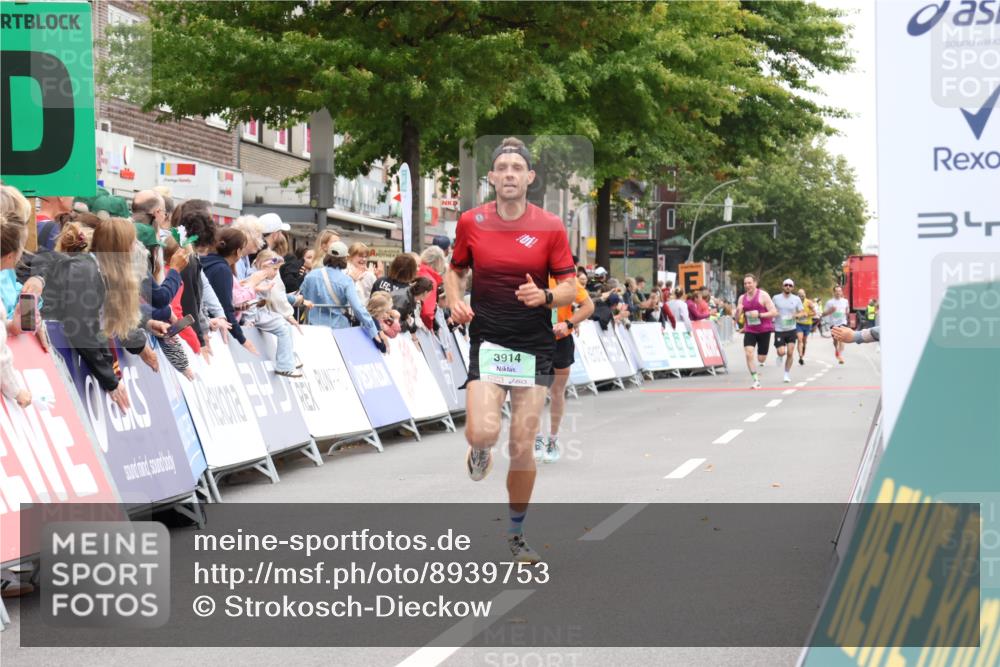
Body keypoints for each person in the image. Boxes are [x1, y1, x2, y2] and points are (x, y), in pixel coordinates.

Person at [444, 137, 577, 564]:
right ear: (491, 177)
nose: (509, 174)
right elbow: (455, 270)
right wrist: (455, 300)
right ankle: (480, 448)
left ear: (529, 177)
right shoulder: (471, 221)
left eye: (517, 168)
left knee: (522, 445)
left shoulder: (551, 226)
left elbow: (571, 286)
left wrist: (548, 298)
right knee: (483, 431)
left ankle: (517, 536)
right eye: (501, 167)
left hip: (533, 345)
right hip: (488, 339)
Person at [535, 269, 594, 463]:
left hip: (561, 340)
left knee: (557, 391)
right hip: (535, 339)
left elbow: (588, 306)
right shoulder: (532, 274)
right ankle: (537, 438)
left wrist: (569, 322)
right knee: (535, 390)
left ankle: (553, 440)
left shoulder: (567, 280)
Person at [299, 241, 387, 351]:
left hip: (312, 327)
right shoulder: (346, 281)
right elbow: (358, 308)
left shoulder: (311, 275)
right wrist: (373, 330)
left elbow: (302, 296)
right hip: (337, 329)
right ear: (345, 259)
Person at [734, 273, 777, 389]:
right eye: (745, 283)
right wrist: (738, 311)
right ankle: (756, 380)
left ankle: (762, 359)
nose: (747, 285)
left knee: (761, 358)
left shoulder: (763, 296)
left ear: (755, 284)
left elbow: (774, 312)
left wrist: (759, 314)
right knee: (748, 353)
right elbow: (736, 319)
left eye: (749, 283)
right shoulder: (742, 298)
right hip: (750, 330)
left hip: (764, 330)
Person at [772, 279, 805, 383]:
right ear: (783, 286)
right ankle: (780, 356)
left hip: (791, 329)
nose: (788, 287)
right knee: (781, 352)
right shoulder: (776, 298)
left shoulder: (796, 299)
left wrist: (796, 315)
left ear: (793, 288)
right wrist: (774, 313)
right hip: (779, 329)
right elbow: (771, 310)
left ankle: (786, 374)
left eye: (790, 285)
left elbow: (803, 313)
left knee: (790, 353)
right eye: (786, 285)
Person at [417, 245, 448, 331]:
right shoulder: (430, 281)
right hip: (421, 328)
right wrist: (430, 328)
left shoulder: (417, 271)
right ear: (439, 262)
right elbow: (427, 312)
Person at [823, 285, 851, 364]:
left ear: (841, 292)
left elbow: (847, 310)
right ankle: (836, 350)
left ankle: (840, 356)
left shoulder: (845, 301)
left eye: (840, 291)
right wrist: (830, 311)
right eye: (836, 291)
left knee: (841, 339)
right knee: (835, 341)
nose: (838, 293)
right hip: (833, 324)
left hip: (843, 323)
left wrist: (847, 313)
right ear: (834, 292)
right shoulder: (830, 302)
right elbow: (824, 314)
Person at [795, 288, 817, 365]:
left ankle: (802, 351)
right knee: (799, 340)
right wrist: (796, 315)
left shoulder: (809, 302)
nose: (801, 295)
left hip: (807, 324)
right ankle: (800, 356)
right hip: (798, 324)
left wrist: (807, 314)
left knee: (804, 341)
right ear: (797, 295)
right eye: (799, 294)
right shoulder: (795, 302)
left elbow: (815, 313)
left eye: (802, 294)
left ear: (805, 294)